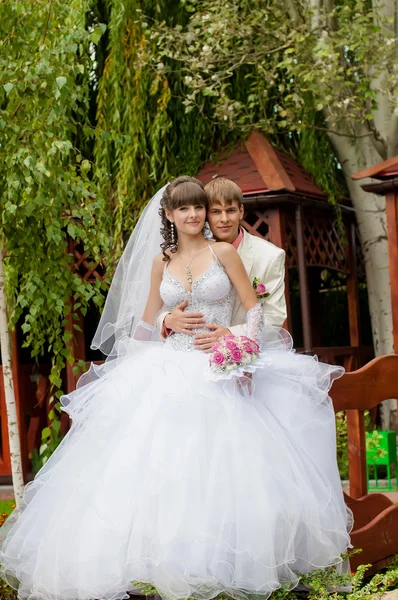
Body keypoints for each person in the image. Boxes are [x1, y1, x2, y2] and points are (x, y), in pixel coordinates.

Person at [0, 176, 352, 600]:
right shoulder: (160, 262)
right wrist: (166, 322)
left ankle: (226, 572)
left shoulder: (223, 253)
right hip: (167, 371)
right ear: (168, 215)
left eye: (198, 207)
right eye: (184, 209)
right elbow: (146, 326)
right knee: (157, 473)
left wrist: (232, 338)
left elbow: (256, 312)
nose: (194, 215)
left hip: (217, 370)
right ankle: (159, 571)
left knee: (221, 474)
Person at [157, 178, 286, 352]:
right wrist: (166, 320)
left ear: (241, 211)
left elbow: (274, 317)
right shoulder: (187, 255)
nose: (224, 219)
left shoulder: (270, 256)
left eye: (231, 210)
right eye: (216, 211)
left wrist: (231, 335)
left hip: (245, 352)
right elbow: (173, 298)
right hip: (187, 353)